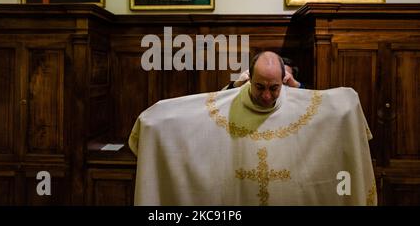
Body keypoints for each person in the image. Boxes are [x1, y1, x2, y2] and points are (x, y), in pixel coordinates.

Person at [129, 51, 376, 205]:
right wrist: (152, 123)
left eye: (275, 88)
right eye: (260, 87)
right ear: (249, 79)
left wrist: (298, 88)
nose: (267, 96)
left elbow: (338, 105)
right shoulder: (231, 97)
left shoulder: (298, 97)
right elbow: (185, 115)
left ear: (284, 81)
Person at [225, 56, 304, 90]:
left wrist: (295, 84)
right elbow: (222, 98)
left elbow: (310, 99)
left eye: (284, 76)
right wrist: (238, 83)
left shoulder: (294, 86)